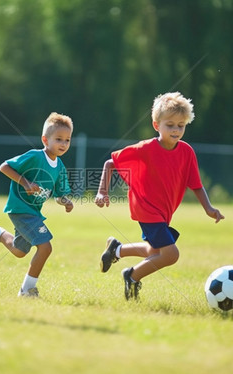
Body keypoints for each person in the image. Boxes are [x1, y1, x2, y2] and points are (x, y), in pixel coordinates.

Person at [94, 91, 224, 300]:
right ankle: (132, 276)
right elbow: (110, 163)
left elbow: (196, 185)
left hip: (164, 211)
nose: (175, 130)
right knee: (171, 254)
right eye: (170, 125)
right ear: (157, 125)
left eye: (180, 125)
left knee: (155, 251)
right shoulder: (146, 148)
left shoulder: (187, 152)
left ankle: (117, 250)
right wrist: (102, 192)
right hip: (146, 208)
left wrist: (209, 208)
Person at [0, 112, 74, 297]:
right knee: (46, 247)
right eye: (58, 139)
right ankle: (27, 290)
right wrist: (25, 183)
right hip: (21, 209)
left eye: (67, 140)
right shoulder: (35, 157)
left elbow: (59, 194)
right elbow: (4, 167)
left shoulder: (60, 166)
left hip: (33, 213)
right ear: (45, 139)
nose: (63, 144)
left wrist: (66, 202)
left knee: (19, 251)